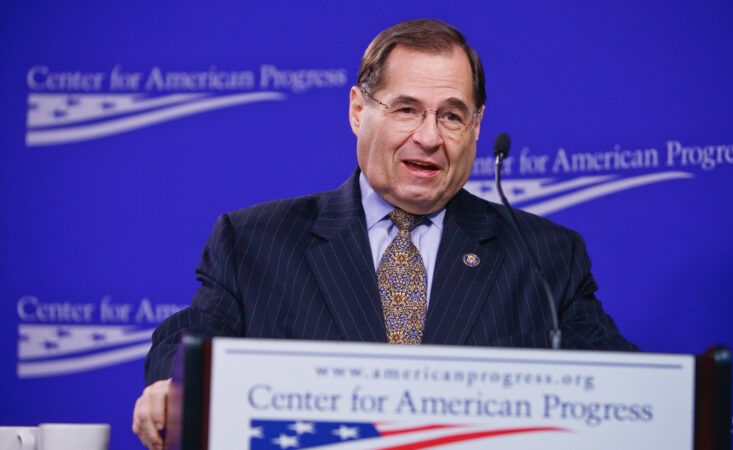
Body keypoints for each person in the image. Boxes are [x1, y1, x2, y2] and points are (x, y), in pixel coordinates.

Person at [132, 18, 636, 449]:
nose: (429, 136)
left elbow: (626, 390)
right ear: (358, 110)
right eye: (406, 109)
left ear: (477, 127)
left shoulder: (544, 257)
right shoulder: (254, 241)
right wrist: (171, 383)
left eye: (452, 115)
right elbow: (194, 332)